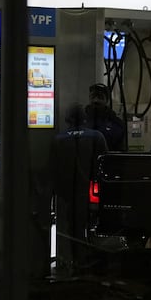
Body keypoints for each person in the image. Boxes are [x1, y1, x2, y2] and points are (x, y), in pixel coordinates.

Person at [50, 103, 108, 277]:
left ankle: (66, 264)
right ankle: (85, 265)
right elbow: (104, 165)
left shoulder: (59, 139)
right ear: (84, 118)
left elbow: (52, 170)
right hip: (89, 194)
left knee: (65, 230)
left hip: (64, 194)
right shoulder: (96, 137)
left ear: (67, 119)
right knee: (86, 230)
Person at [84, 83, 126, 151]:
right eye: (93, 97)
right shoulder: (80, 121)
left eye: (100, 97)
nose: (96, 100)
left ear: (107, 100)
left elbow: (121, 150)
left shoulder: (117, 124)